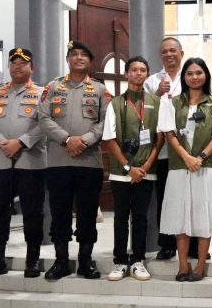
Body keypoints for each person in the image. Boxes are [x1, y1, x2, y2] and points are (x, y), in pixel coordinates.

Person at [38, 40, 108, 279]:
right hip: (59, 162)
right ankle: (61, 261)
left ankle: (86, 261)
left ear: (90, 61)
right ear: (68, 59)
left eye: (83, 55)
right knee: (60, 214)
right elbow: (43, 118)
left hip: (89, 162)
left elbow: (106, 121)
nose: (79, 58)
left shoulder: (99, 89)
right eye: (74, 54)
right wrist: (67, 139)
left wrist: (85, 140)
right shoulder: (53, 87)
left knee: (87, 214)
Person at [0, 47, 46, 278]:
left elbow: (45, 124)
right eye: (14, 63)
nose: (17, 66)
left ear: (32, 67)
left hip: (31, 163)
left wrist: (21, 142)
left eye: (23, 63)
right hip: (1, 162)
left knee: (33, 213)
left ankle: (32, 261)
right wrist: (1, 141)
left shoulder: (41, 93)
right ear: (9, 67)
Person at [158, 57, 212, 281]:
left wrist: (200, 158)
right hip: (180, 166)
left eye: (199, 73)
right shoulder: (173, 102)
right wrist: (187, 157)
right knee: (181, 215)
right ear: (184, 77)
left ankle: (199, 266)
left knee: (203, 215)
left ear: (205, 75)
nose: (194, 77)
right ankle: (182, 265)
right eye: (189, 73)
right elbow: (169, 133)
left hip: (206, 167)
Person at [102, 56, 163, 281]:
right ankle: (119, 261)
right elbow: (110, 139)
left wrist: (145, 166)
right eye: (134, 70)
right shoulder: (116, 103)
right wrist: (129, 168)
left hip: (146, 172)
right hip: (121, 173)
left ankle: (137, 260)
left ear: (147, 74)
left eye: (143, 70)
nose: (138, 73)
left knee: (140, 217)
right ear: (126, 74)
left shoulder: (156, 102)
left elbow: (160, 139)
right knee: (120, 217)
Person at [143, 37, 196, 260]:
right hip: (163, 151)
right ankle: (166, 244)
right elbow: (143, 113)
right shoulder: (152, 81)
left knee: (191, 199)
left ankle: (194, 246)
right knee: (166, 199)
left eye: (173, 50)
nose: (169, 54)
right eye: (164, 51)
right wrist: (156, 95)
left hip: (189, 150)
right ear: (160, 55)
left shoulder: (192, 76)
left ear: (181, 53)